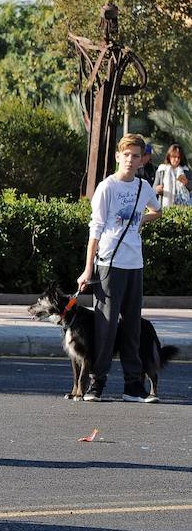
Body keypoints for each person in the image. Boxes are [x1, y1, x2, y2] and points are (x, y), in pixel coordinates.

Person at [77, 133, 161, 402]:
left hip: (134, 264)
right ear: (117, 156)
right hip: (109, 264)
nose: (130, 159)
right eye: (126, 154)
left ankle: (132, 385)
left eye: (135, 155)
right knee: (106, 326)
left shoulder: (143, 187)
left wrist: (142, 221)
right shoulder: (107, 187)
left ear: (141, 160)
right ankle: (97, 382)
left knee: (133, 328)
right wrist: (87, 269)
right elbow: (96, 229)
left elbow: (157, 211)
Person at [153, 144, 191, 208]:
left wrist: (187, 183)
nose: (176, 159)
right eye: (174, 156)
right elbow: (154, 188)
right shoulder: (161, 170)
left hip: (183, 207)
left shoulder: (186, 171)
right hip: (164, 207)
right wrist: (158, 189)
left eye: (179, 157)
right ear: (169, 156)